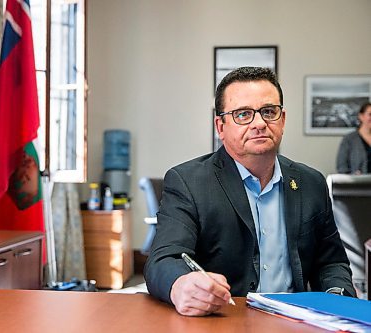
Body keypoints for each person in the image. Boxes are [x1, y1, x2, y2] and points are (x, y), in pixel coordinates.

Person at [144, 67, 355, 317]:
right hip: (222, 318)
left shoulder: (311, 183)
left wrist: (337, 298)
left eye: (269, 112)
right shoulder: (188, 182)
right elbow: (163, 259)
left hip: (295, 320)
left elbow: (331, 262)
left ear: (283, 120)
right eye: (243, 114)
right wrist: (180, 285)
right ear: (220, 126)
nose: (259, 123)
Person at [336, 102, 371, 174]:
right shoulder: (349, 139)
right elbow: (341, 167)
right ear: (361, 116)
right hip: (358, 183)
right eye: (370, 114)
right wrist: (353, 175)